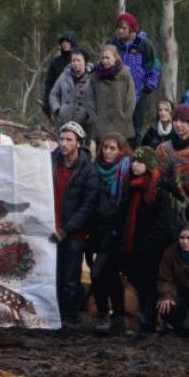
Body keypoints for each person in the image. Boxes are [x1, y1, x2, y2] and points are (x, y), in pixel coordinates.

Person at [119, 147, 178, 336]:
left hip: (152, 250)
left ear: (149, 165)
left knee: (150, 286)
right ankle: (144, 318)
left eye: (140, 162)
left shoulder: (158, 192)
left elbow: (164, 225)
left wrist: (147, 245)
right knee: (138, 284)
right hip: (134, 246)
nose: (135, 165)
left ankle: (148, 322)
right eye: (134, 161)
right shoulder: (131, 187)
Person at [50, 121, 99, 326]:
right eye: (61, 139)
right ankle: (54, 314)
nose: (64, 143)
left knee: (71, 278)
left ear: (79, 143)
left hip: (74, 233)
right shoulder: (50, 162)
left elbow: (87, 206)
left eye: (69, 139)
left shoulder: (88, 170)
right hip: (51, 229)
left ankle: (70, 317)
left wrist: (67, 229)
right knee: (54, 276)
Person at [88, 133, 132, 333]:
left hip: (117, 230)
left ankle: (108, 314)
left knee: (103, 274)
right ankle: (114, 316)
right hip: (96, 230)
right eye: (105, 147)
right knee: (104, 275)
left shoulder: (125, 171)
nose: (107, 152)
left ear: (120, 150)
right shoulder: (94, 171)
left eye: (113, 148)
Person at [107, 12, 161, 145]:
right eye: (118, 28)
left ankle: (133, 160)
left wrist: (149, 85)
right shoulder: (112, 44)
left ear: (131, 28)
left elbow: (154, 65)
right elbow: (104, 63)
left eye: (123, 28)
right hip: (116, 93)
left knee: (135, 130)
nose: (120, 31)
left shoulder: (143, 44)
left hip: (138, 93)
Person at [91, 44, 135, 144]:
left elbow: (131, 98)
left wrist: (126, 117)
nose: (104, 61)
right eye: (102, 58)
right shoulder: (95, 76)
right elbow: (90, 98)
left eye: (107, 58)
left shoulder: (125, 74)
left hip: (121, 122)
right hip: (101, 123)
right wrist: (95, 117)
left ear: (115, 58)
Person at [48, 48, 95, 134]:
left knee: (82, 146)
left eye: (78, 60)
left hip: (84, 122)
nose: (75, 63)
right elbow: (53, 94)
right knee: (65, 145)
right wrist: (58, 109)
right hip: (64, 120)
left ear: (85, 61)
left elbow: (98, 99)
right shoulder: (64, 75)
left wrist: (89, 115)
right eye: (73, 60)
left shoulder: (92, 78)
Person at [43, 31, 79, 118]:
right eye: (63, 42)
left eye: (67, 41)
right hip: (61, 103)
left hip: (79, 103)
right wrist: (48, 104)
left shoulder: (81, 59)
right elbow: (49, 84)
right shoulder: (56, 62)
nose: (65, 44)